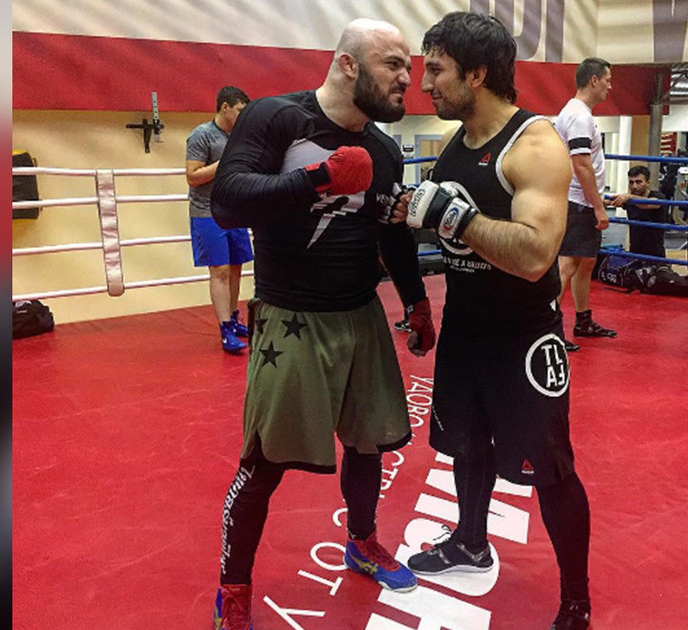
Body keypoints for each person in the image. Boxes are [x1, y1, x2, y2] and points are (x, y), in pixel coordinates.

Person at [207, 19, 436, 630]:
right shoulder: (277, 118)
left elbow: (391, 233)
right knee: (263, 463)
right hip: (290, 317)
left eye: (409, 67)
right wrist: (319, 177)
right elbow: (228, 199)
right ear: (348, 64)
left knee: (369, 444)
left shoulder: (385, 150)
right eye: (393, 65)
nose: (406, 79)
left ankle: (361, 543)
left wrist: (416, 300)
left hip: (360, 314)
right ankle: (233, 588)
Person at [401, 12, 592, 630]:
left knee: (551, 469)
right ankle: (470, 541)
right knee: (463, 445)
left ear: (477, 74)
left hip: (523, 338)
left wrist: (455, 219)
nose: (424, 83)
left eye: (436, 70)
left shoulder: (534, 145)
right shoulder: (456, 143)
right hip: (466, 328)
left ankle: (576, 599)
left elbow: (535, 256)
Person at [186, 86, 255, 354]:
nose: (243, 116)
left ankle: (233, 317)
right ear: (225, 107)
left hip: (234, 210)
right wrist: (225, 162)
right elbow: (192, 177)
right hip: (207, 211)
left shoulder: (240, 136)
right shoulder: (202, 135)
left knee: (236, 266)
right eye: (239, 111)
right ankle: (224, 327)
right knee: (220, 270)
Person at [555, 57, 617, 350]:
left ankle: (582, 320)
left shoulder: (580, 113)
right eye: (607, 80)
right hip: (578, 202)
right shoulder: (578, 115)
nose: (609, 86)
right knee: (567, 264)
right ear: (594, 80)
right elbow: (581, 164)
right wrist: (598, 206)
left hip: (582, 200)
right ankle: (548, 329)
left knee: (585, 262)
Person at [611, 165, 668, 261]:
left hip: (654, 254)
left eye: (638, 182)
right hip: (635, 252)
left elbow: (646, 204)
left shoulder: (658, 197)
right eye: (631, 182)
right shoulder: (629, 200)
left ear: (648, 182)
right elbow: (609, 201)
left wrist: (629, 197)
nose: (634, 186)